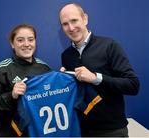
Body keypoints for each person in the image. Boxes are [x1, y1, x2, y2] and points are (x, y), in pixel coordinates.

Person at [59, 3, 140, 137]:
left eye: (74, 21)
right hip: (81, 130)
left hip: (112, 131)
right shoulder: (66, 55)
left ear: (85, 19)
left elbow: (133, 85)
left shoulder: (109, 46)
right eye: (65, 24)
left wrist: (96, 78)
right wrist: (63, 82)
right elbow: (76, 95)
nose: (71, 28)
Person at [0, 24, 51, 137]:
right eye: (20, 40)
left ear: (35, 42)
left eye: (31, 39)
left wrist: (60, 79)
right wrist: (11, 96)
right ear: (12, 44)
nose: (26, 44)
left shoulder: (45, 68)